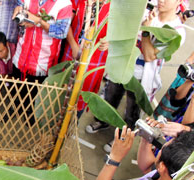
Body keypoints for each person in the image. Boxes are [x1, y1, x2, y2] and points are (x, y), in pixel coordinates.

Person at [86, 0, 186, 152]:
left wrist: (145, 29)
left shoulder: (177, 31)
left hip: (141, 76)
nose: (161, 1)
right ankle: (103, 121)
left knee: (132, 110)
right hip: (122, 65)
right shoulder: (145, 13)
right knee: (110, 96)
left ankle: (122, 137)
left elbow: (149, 56)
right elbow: (126, 34)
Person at [63, 0, 110, 117]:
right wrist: (74, 45)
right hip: (71, 54)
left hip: (93, 63)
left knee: (79, 101)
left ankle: (72, 125)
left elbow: (123, 34)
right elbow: (66, 22)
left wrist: (110, 42)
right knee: (61, 93)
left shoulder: (116, 6)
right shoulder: (79, 2)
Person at [11, 0, 72, 83]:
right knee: (16, 93)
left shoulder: (64, 4)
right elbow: (19, 7)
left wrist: (39, 22)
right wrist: (18, 10)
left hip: (42, 65)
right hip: (20, 58)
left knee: (36, 94)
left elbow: (61, 32)